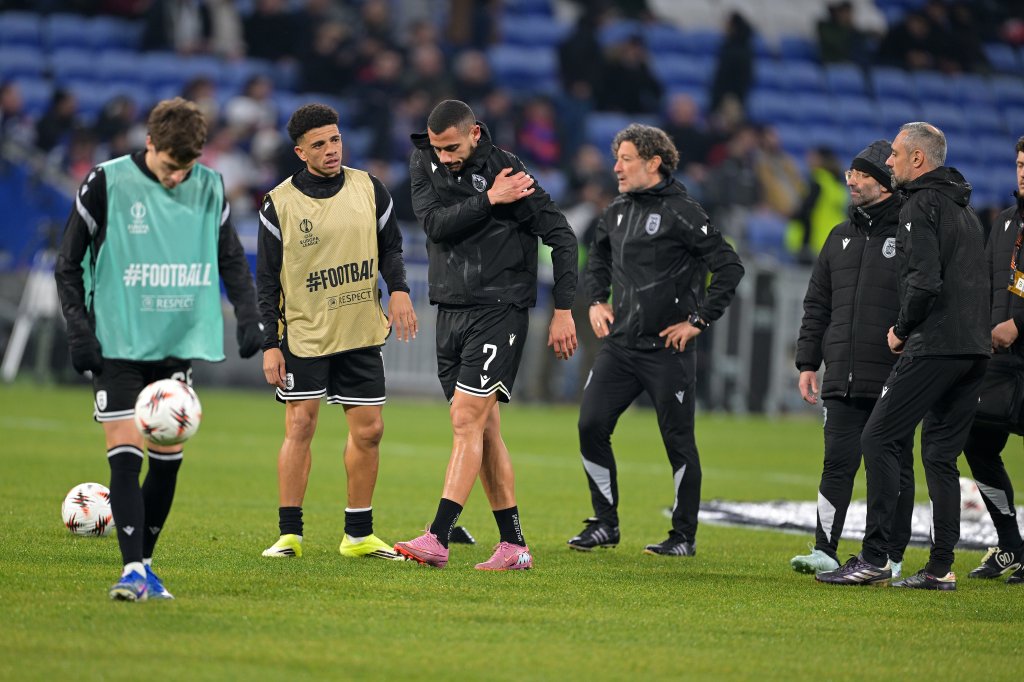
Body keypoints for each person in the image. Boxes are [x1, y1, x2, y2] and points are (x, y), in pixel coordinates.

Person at [54, 97, 262, 601]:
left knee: (168, 458)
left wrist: (250, 315)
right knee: (126, 459)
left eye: (186, 167)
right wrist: (79, 330)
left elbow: (231, 259)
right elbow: (68, 263)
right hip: (117, 341)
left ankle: (146, 567)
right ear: (149, 143)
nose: (176, 177)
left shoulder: (209, 185)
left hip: (174, 343)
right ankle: (131, 571)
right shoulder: (106, 182)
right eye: (170, 166)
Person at [393, 99, 578, 570]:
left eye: (452, 148)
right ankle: (513, 545)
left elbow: (562, 236)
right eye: (438, 148)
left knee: (466, 421)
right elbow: (434, 225)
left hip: (500, 309)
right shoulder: (424, 161)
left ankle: (437, 537)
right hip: (450, 308)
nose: (444, 157)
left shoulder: (508, 171)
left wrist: (563, 310)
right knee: (484, 430)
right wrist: (489, 200)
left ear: (474, 133)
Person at [817, 122, 990, 590]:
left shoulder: (919, 204)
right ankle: (940, 568)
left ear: (918, 159)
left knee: (878, 438)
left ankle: (875, 557)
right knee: (940, 456)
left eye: (895, 154)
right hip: (974, 350)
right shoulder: (965, 210)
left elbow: (925, 282)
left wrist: (901, 328)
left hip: (935, 345)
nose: (889, 161)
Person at [568, 124, 744, 556]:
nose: (616, 167)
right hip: (621, 345)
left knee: (678, 442)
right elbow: (598, 257)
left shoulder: (684, 211)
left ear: (653, 163)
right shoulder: (616, 210)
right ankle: (605, 523)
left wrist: (699, 321)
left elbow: (729, 267)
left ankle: (683, 536)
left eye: (625, 159)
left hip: (669, 350)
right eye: (616, 159)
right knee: (590, 425)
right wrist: (597, 300)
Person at [256, 103, 416, 561]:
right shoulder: (279, 203)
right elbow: (265, 280)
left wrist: (399, 290)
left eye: (336, 139)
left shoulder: (370, 188)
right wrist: (270, 344)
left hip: (360, 331)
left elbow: (391, 248)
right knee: (300, 425)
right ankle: (290, 534)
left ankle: (358, 534)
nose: (331, 149)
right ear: (300, 152)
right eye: (320, 144)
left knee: (370, 431)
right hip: (305, 335)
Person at [791, 140, 915, 577]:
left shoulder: (910, 234)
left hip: (893, 373)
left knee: (893, 464)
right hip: (841, 372)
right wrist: (808, 362)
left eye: (861, 175)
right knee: (837, 462)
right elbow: (817, 305)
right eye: (851, 173)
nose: (852, 181)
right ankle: (825, 549)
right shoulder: (838, 236)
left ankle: (890, 556)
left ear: (884, 183)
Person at [961, 136, 1024, 586]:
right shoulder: (1003, 223)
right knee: (977, 442)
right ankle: (1011, 544)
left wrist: (1018, 324)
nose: (1023, 172)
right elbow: (984, 286)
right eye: (1020, 164)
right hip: (1000, 360)